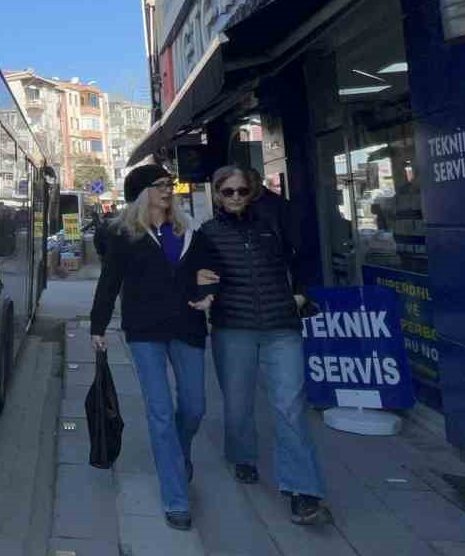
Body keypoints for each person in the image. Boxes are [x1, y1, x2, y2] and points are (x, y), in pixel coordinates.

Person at [191, 165, 331, 526]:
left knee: (290, 407)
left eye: (241, 190)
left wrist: (300, 295)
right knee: (238, 405)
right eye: (228, 191)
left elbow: (304, 259)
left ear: (251, 192)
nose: (236, 197)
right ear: (218, 195)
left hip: (281, 327)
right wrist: (203, 294)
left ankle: (302, 490)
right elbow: (200, 275)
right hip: (233, 328)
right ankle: (243, 456)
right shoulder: (207, 234)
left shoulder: (272, 225)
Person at [89, 164, 213, 531]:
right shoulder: (125, 235)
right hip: (144, 331)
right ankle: (176, 498)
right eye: (160, 185)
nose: (168, 190)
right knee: (160, 412)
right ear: (143, 193)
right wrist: (98, 326)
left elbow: (209, 271)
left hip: (188, 325)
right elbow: (109, 282)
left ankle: (179, 454)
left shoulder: (190, 230)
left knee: (194, 407)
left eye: (169, 184)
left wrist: (208, 295)